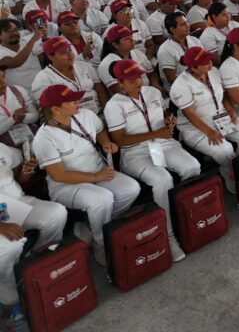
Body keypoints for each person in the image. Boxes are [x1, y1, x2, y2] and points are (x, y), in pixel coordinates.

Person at [33, 84, 140, 266]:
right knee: (101, 199)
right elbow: (59, 175)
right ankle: (101, 242)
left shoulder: (85, 115)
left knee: (131, 189)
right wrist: (95, 177)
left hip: (97, 170)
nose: (78, 101)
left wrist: (106, 143)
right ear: (55, 109)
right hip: (67, 185)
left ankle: (96, 227)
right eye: (72, 100)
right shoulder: (44, 138)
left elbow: (100, 131)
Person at [103, 59, 198, 262]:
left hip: (163, 143)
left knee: (193, 166)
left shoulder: (152, 92)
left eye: (138, 76)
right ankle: (168, 235)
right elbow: (119, 139)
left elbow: (162, 112)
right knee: (162, 179)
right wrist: (154, 133)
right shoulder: (114, 106)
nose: (137, 81)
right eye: (130, 79)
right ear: (119, 82)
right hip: (135, 153)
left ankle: (189, 217)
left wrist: (167, 119)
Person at [0, 130, 67, 325]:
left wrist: (26, 171)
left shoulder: (3, 149)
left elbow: (19, 179)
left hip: (17, 202)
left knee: (56, 213)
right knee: (10, 247)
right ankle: (11, 301)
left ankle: (37, 266)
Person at [170, 47, 239, 194]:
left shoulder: (214, 72)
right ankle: (229, 172)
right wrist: (209, 131)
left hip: (221, 117)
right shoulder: (181, 86)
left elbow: (222, 95)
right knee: (225, 150)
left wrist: (229, 109)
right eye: (205, 61)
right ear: (193, 68)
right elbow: (189, 114)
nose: (210, 62)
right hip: (197, 128)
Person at [32, 36, 108, 115]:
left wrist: (106, 113)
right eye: (63, 52)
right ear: (51, 57)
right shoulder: (43, 78)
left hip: (98, 114)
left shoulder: (85, 66)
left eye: (70, 50)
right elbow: (47, 108)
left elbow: (101, 91)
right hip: (71, 120)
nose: (70, 55)